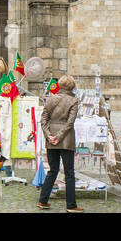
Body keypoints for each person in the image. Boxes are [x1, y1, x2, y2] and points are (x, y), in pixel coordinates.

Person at [37, 75, 82, 212]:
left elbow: (43, 119)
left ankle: (43, 200)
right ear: (72, 86)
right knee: (69, 173)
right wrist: (58, 136)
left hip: (51, 139)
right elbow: (70, 122)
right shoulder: (74, 101)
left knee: (53, 170)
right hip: (66, 139)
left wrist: (49, 135)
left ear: (60, 85)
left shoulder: (51, 99)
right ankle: (71, 205)